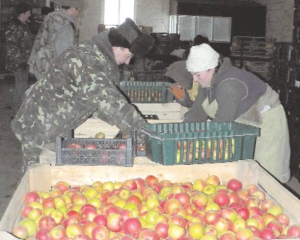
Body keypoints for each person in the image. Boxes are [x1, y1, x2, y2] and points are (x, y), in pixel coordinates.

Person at [11, 19, 155, 171]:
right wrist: (146, 135)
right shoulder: (88, 61)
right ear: (118, 47)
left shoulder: (96, 54)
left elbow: (95, 101)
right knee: (37, 177)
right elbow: (109, 101)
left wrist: (120, 123)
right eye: (129, 55)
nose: (128, 62)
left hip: (51, 123)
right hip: (38, 128)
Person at [184, 43, 290, 183]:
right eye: (192, 74)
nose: (195, 80)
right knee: (246, 170)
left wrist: (202, 150)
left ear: (212, 69)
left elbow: (221, 125)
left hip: (266, 121)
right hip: (244, 122)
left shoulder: (230, 84)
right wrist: (181, 136)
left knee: (267, 173)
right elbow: (197, 111)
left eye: (197, 74)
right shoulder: (207, 82)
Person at [28, 0, 84, 81]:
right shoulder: (66, 26)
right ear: (72, 9)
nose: (79, 14)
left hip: (39, 64)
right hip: (52, 71)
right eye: (78, 10)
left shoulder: (50, 16)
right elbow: (64, 53)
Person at [5, 2, 33, 119]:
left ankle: (18, 112)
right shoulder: (14, 27)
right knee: (20, 87)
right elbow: (11, 47)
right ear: (22, 13)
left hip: (23, 61)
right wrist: (20, 62)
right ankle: (16, 114)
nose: (30, 15)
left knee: (22, 86)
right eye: (28, 13)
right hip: (18, 63)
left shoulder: (23, 24)